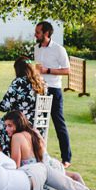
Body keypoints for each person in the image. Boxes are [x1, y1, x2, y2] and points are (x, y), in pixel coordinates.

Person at [3, 111, 96, 190]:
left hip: (43, 180)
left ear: (18, 123)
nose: (7, 129)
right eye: (6, 126)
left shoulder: (17, 137)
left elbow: (16, 167)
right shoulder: (34, 132)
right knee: (39, 187)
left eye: (10, 125)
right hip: (55, 171)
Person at [33, 21, 73, 165]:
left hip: (54, 90)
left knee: (58, 124)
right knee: (37, 125)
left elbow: (67, 70)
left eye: (38, 32)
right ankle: (37, 155)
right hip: (39, 90)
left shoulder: (58, 49)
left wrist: (48, 70)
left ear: (46, 34)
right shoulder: (36, 48)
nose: (35, 35)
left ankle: (66, 158)